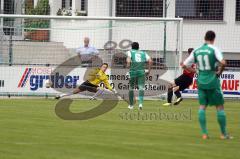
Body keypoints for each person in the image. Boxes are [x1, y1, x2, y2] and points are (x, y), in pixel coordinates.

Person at [182, 30, 232, 140]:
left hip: (201, 81)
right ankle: (223, 134)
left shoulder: (197, 50)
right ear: (213, 39)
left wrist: (195, 71)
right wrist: (219, 72)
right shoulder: (214, 49)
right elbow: (223, 62)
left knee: (202, 106)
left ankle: (204, 133)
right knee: (219, 106)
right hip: (212, 80)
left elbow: (184, 65)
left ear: (204, 38)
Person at [127, 42, 152, 110]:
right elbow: (150, 61)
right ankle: (140, 104)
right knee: (141, 87)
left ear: (132, 47)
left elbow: (128, 59)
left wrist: (128, 64)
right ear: (138, 47)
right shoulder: (143, 53)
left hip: (133, 71)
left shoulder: (130, 52)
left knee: (131, 87)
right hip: (141, 71)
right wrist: (149, 70)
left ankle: (131, 105)